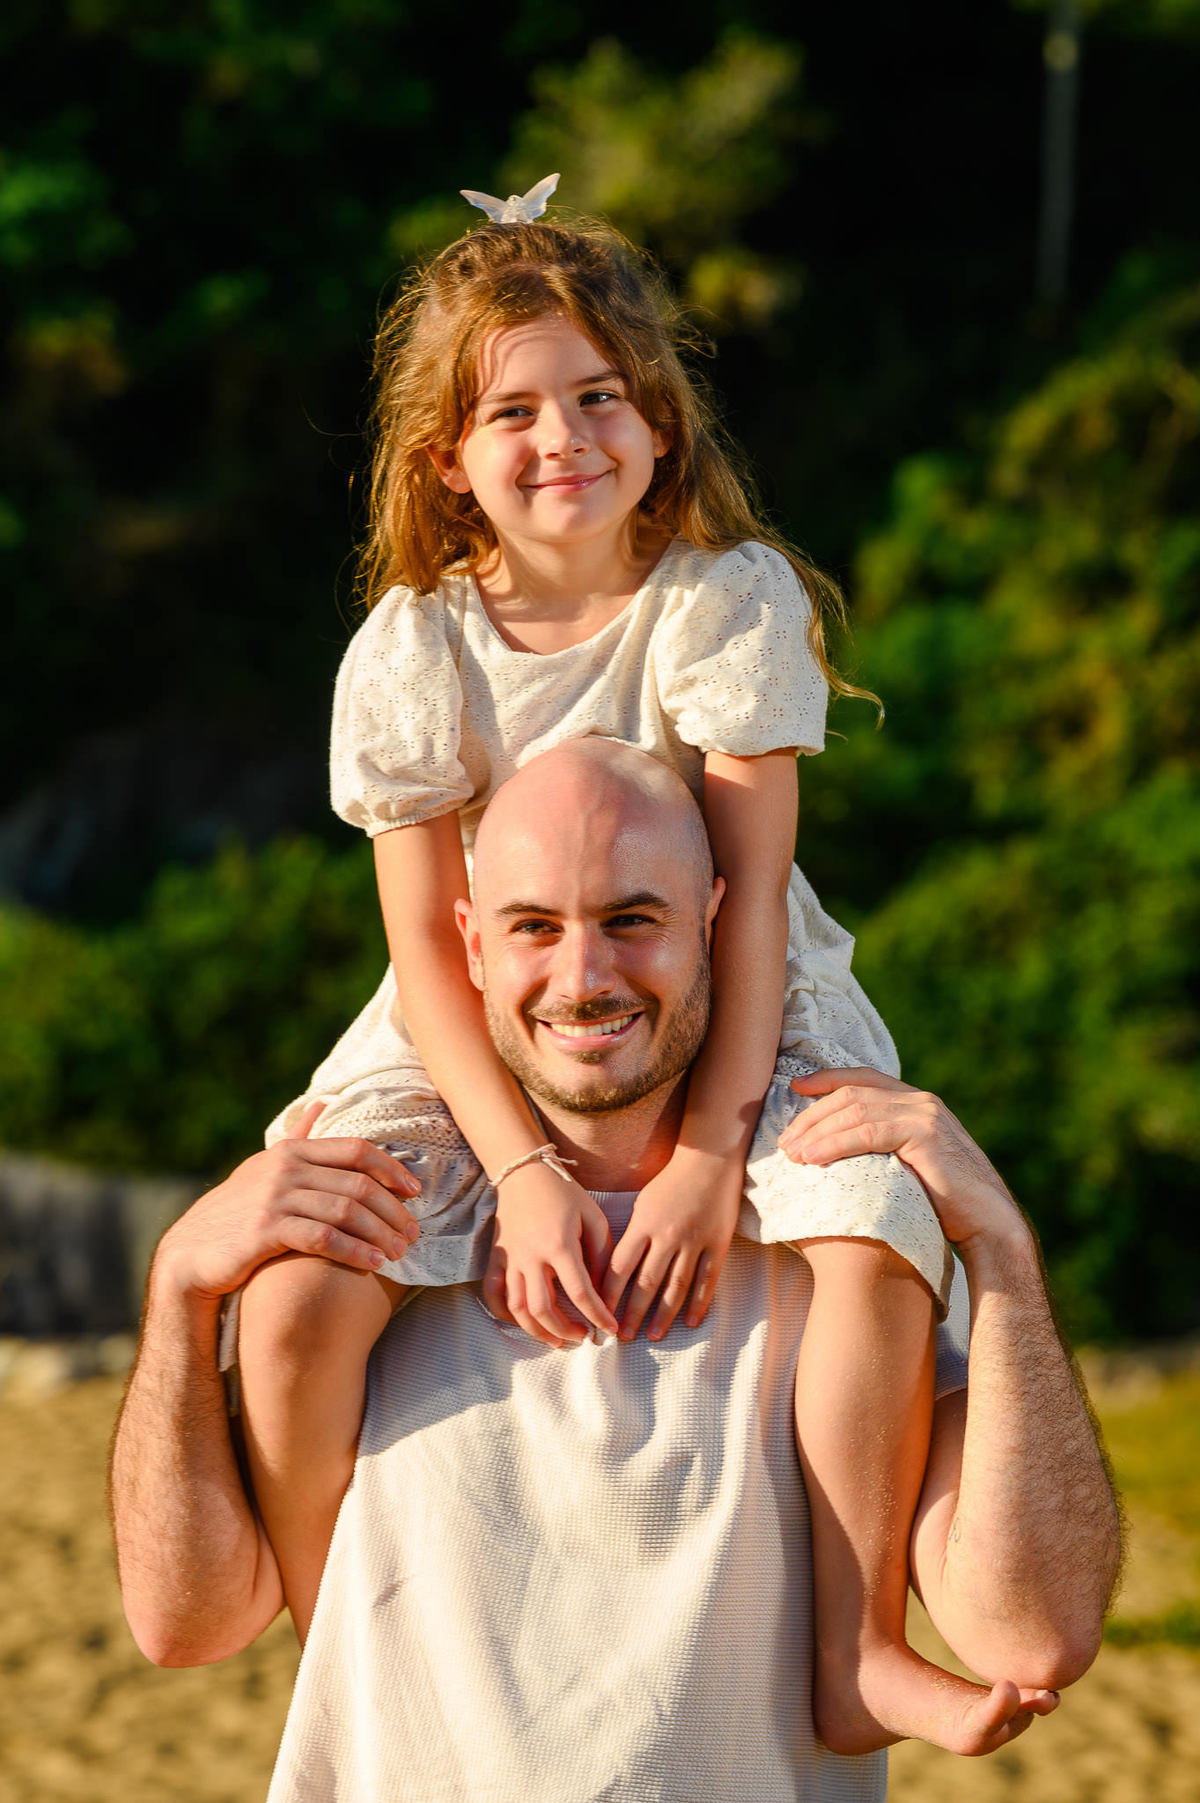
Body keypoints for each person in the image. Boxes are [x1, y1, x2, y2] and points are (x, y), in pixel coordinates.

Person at [237, 178, 990, 1752]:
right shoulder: (416, 645)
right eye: (511, 410)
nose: (561, 436)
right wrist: (519, 1171)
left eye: (597, 397)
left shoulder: (724, 599)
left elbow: (753, 895)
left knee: (869, 1230)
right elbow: (424, 946)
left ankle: (857, 1637)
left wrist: (711, 1154)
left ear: (658, 423)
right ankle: (335, 1634)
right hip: (471, 1007)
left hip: (727, 981)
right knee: (301, 1291)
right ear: (447, 458)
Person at [110, 741, 1121, 1803]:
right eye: (533, 927)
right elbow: (183, 1624)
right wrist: (179, 1290)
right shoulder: (374, 1242)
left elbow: (1035, 1636)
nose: (584, 979)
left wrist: (1002, 1251)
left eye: (634, 919)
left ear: (721, 924)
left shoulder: (836, 1247)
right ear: (471, 945)